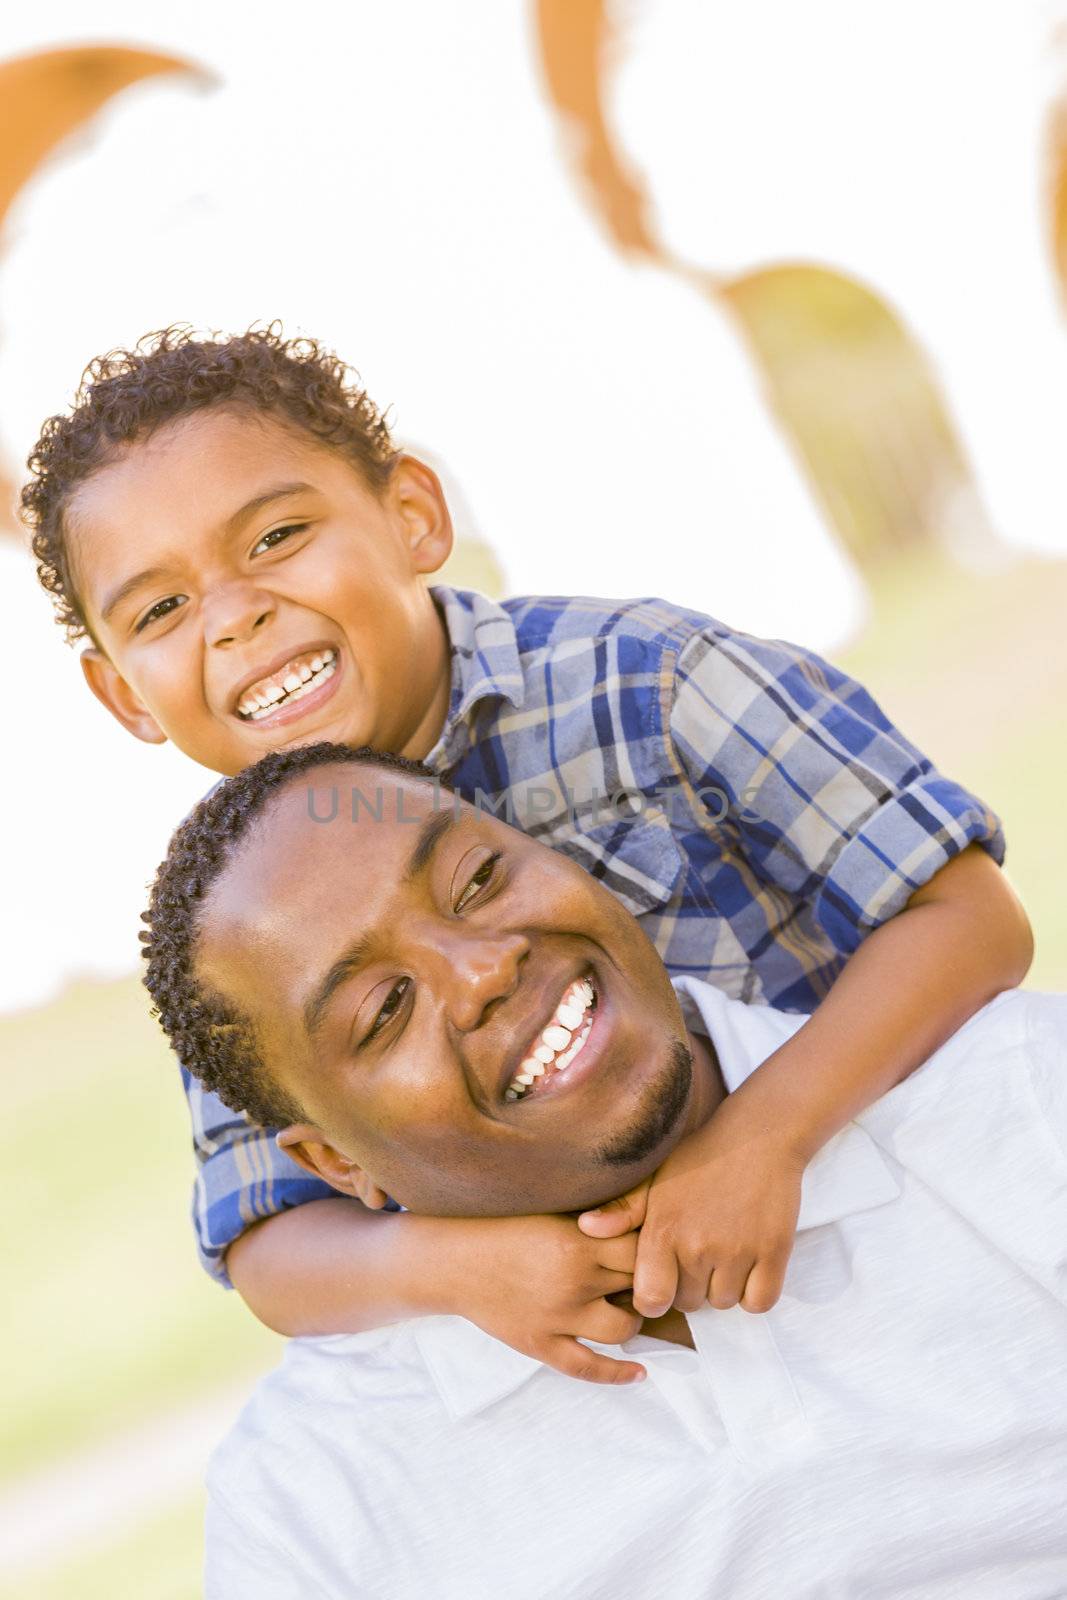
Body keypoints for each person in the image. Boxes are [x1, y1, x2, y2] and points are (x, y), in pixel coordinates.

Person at [23, 326, 1032, 1379]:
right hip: (658, 1378)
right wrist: (451, 1267)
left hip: (905, 1221)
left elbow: (966, 918)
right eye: (162, 607)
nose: (234, 617)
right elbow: (266, 1238)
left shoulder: (650, 680)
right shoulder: (240, 932)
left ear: (411, 515)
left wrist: (764, 1136)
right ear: (124, 693)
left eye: (274, 537)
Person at [140, 743, 1067, 1600]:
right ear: (337, 1163)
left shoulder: (1023, 1104)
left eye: (477, 880)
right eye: (384, 1009)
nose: (485, 969)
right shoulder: (314, 1510)